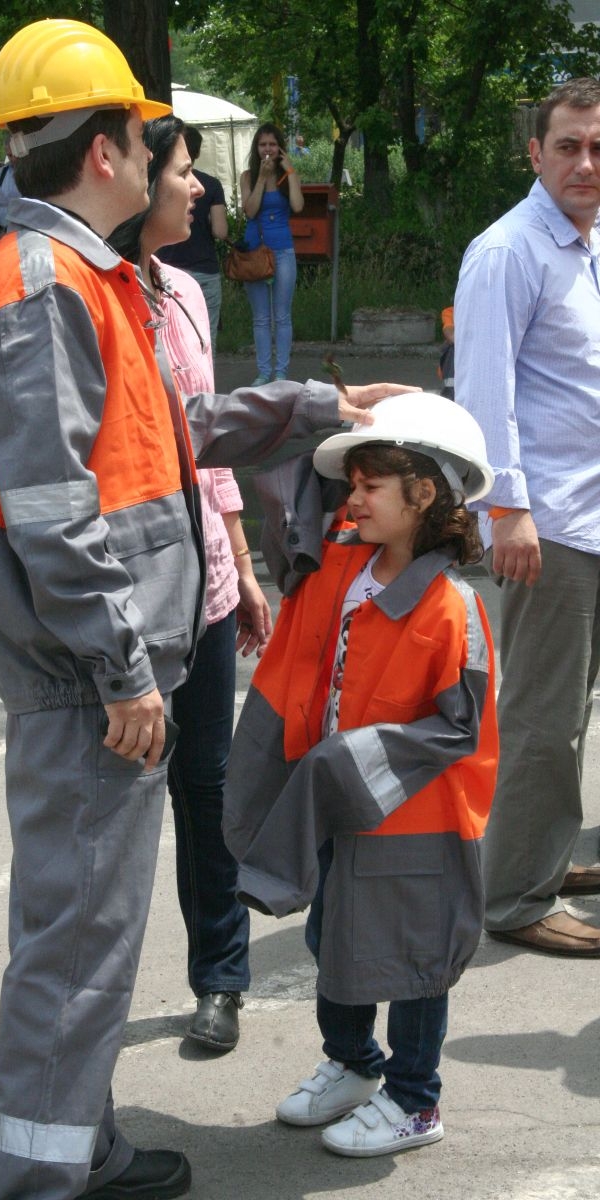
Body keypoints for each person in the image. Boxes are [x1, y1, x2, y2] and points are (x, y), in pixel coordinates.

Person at [0, 18, 411, 1200]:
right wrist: (123, 672)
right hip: (85, 677)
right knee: (74, 940)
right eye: (153, 142)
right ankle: (41, 1177)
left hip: (96, 666)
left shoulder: (81, 279)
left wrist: (320, 403)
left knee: (88, 935)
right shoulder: (47, 287)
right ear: (105, 148)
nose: (175, 165)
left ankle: (74, 1144)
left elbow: (175, 433)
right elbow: (55, 513)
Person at [222, 392, 499, 1158]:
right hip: (342, 806)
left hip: (415, 817)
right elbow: (284, 475)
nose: (354, 497)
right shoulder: (337, 565)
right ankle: (353, 1064)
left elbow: (458, 727)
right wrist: (331, 408)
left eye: (373, 482)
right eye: (353, 482)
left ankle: (415, 1098)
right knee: (333, 937)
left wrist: (345, 764)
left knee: (412, 959)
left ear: (427, 492)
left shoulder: (453, 608)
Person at [110, 114, 272, 1053]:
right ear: (135, 181)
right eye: (183, 171)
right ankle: (97, 991)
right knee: (123, 796)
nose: (199, 188)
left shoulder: (188, 296)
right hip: (129, 596)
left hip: (205, 587)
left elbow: (209, 446)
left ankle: (221, 977)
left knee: (206, 788)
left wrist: (240, 565)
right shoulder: (91, 296)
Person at [455, 76, 600, 956]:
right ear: (535, 154)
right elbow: (484, 394)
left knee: (572, 711)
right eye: (570, 146)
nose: (587, 162)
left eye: (599, 147)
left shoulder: (588, 244)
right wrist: (506, 511)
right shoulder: (508, 252)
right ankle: (513, 896)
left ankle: (542, 854)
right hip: (550, 525)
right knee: (546, 716)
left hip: (594, 512)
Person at [240, 121, 304, 384]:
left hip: (283, 250)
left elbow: (298, 207)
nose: (268, 149)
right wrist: (261, 179)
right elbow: (250, 210)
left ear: (280, 148)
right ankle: (264, 371)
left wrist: (290, 173)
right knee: (261, 317)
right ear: (256, 148)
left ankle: (281, 372)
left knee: (282, 314)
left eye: (272, 144)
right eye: (263, 144)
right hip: (254, 252)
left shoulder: (288, 175)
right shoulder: (247, 176)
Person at [157, 125, 228, 354]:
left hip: (165, 271)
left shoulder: (162, 184)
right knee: (205, 345)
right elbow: (221, 231)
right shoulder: (211, 185)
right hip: (203, 271)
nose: (195, 189)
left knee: (170, 347)